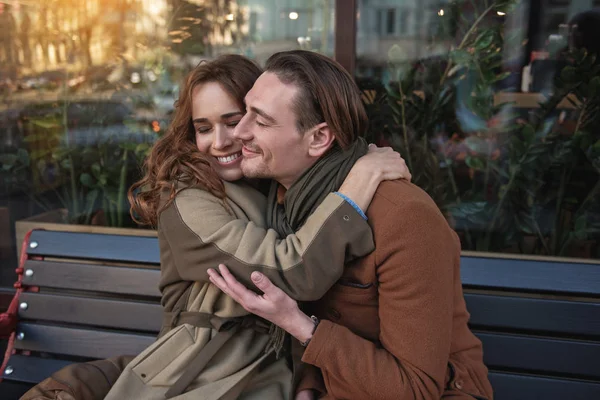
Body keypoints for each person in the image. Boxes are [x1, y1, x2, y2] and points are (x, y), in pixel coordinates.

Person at [20, 55, 410, 400]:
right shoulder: (189, 202)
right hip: (201, 375)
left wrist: (309, 381)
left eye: (234, 120)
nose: (222, 141)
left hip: (273, 373)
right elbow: (292, 272)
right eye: (203, 128)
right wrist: (357, 184)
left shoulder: (277, 189)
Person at [207, 50, 494, 400]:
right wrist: (308, 386)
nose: (239, 132)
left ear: (317, 139)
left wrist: (300, 326)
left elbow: (416, 390)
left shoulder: (405, 217)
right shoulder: (283, 200)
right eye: (246, 111)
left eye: (261, 121)